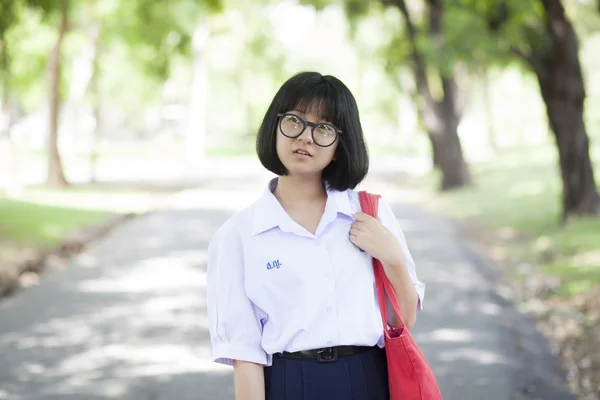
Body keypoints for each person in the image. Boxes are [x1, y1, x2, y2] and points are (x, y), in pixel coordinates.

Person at [206, 71, 425, 400]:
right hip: (289, 384)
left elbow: (401, 323)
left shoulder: (371, 216)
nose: (305, 137)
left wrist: (392, 258)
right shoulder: (238, 236)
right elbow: (245, 353)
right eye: (294, 120)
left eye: (323, 128)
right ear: (274, 128)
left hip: (368, 381)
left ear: (339, 144)